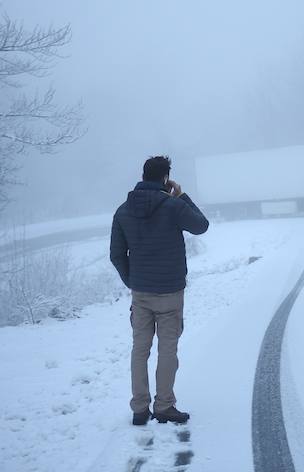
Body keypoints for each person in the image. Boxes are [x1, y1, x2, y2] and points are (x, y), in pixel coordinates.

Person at [110, 155, 209, 426]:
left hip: (140, 293)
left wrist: (133, 281)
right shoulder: (173, 206)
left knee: (139, 349)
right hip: (171, 292)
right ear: (165, 178)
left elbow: (116, 254)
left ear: (143, 176)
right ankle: (164, 406)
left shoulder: (122, 210)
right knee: (168, 349)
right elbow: (201, 226)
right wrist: (182, 195)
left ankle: (140, 409)